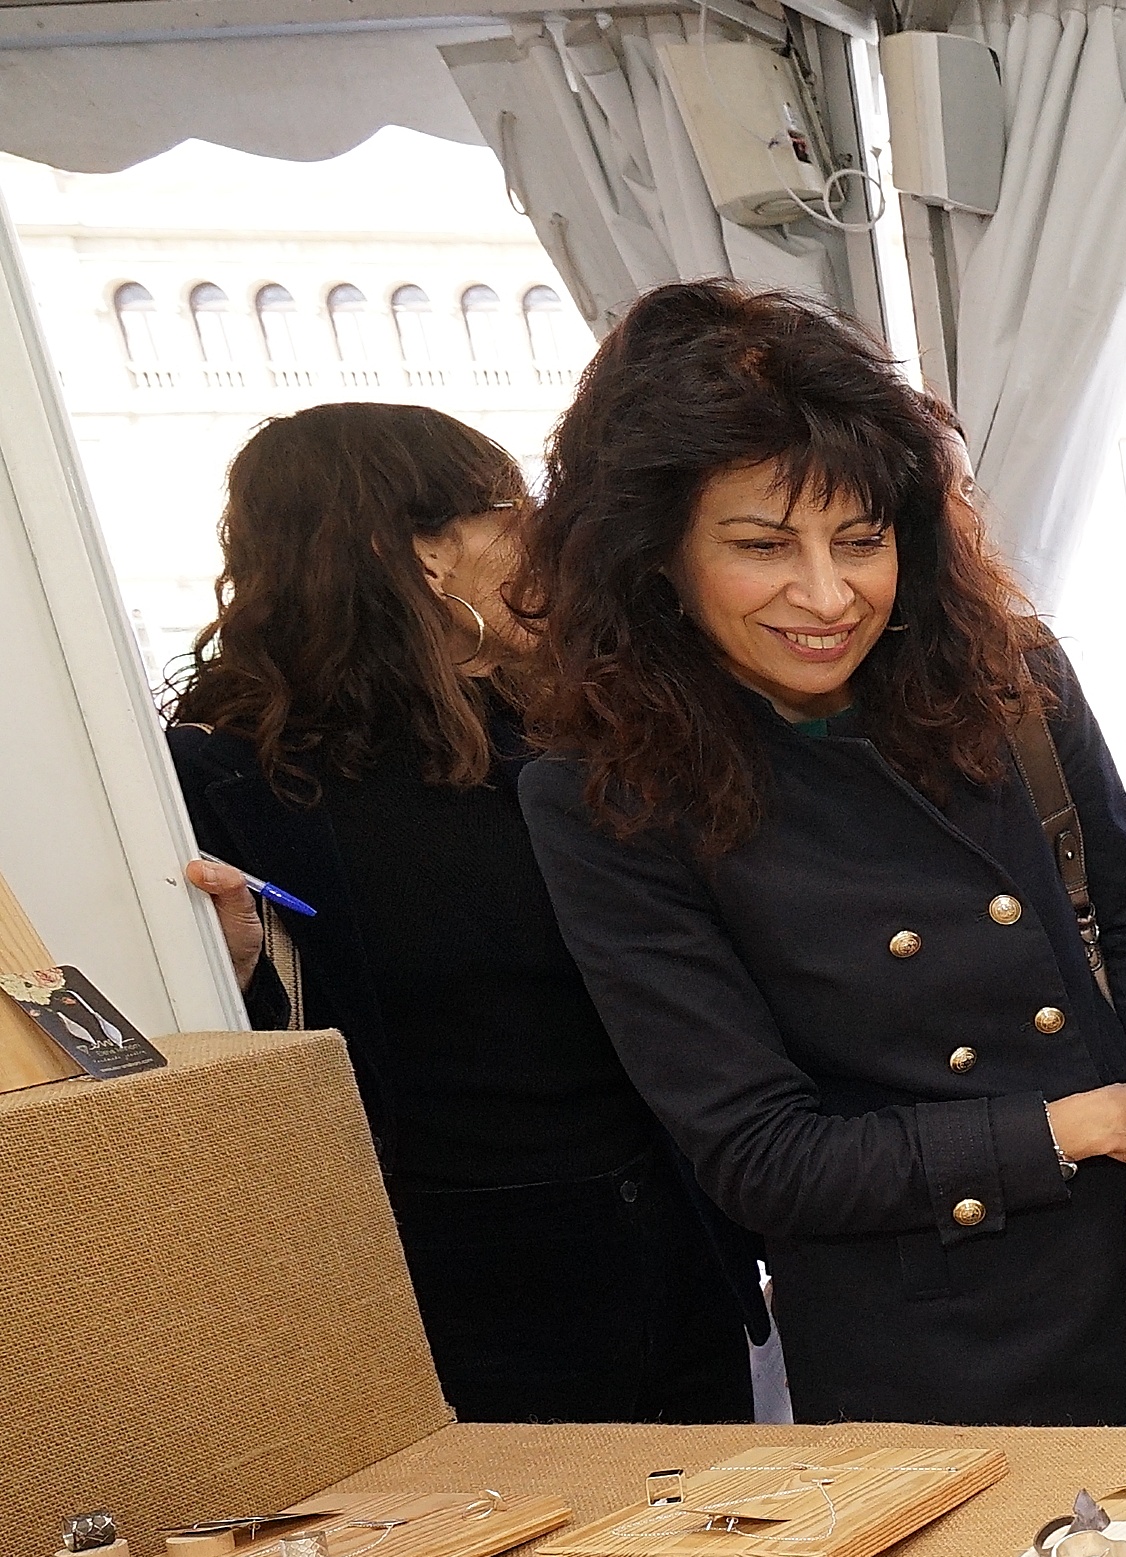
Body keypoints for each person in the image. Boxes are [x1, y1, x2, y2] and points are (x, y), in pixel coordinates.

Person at [522, 281, 1126, 1427]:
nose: (826, 595)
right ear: (656, 553)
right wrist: (1083, 1125)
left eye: (860, 541)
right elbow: (763, 1157)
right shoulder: (610, 796)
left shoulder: (1010, 682)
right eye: (762, 547)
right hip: (926, 1338)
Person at [168, 403, 753, 1424]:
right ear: (424, 556)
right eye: (508, 508)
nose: (544, 536)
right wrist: (243, 966)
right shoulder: (230, 780)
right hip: (451, 1291)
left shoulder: (573, 728)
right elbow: (243, 1068)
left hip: (669, 1244)